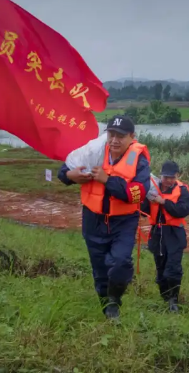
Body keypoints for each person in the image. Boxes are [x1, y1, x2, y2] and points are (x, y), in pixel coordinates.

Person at [57, 115, 150, 320]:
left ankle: (115, 301)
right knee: (99, 269)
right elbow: (64, 171)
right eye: (111, 134)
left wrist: (107, 180)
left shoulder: (138, 159)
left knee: (119, 262)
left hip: (123, 222)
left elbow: (139, 192)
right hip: (93, 220)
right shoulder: (95, 151)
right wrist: (69, 176)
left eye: (121, 136)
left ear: (131, 137)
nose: (115, 140)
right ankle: (105, 309)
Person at [140, 160, 189, 313]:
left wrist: (163, 202)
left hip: (175, 233)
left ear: (177, 176)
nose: (168, 180)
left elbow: (183, 210)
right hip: (157, 232)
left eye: (171, 177)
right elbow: (144, 209)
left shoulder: (183, 190)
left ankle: (173, 300)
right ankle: (164, 296)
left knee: (173, 267)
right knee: (160, 267)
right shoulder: (152, 188)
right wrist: (142, 199)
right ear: (161, 175)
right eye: (165, 177)